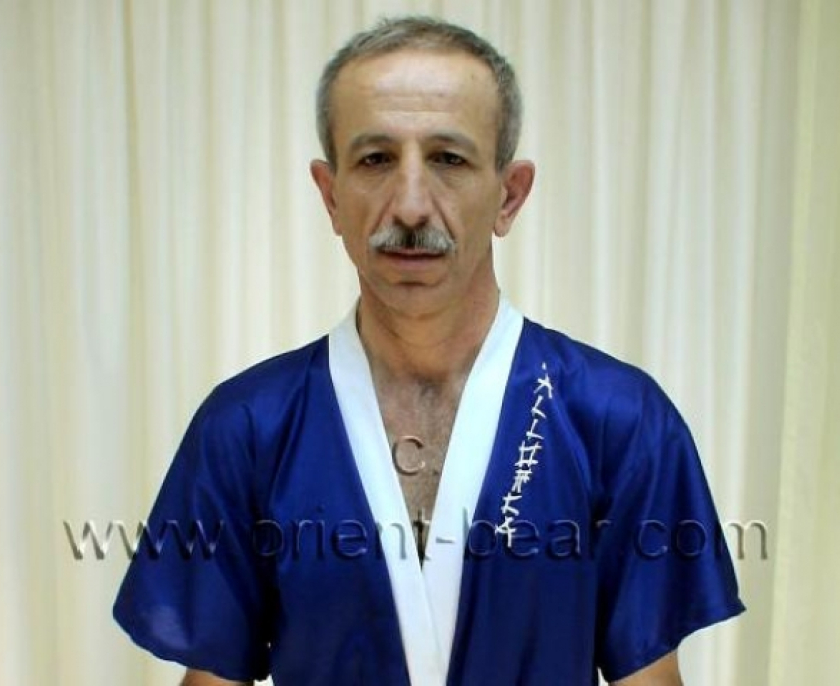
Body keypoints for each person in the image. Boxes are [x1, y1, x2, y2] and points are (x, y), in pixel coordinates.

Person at [113, 16, 744, 686]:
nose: (411, 206)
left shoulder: (620, 420)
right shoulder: (247, 428)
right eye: (375, 160)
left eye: (448, 159)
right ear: (330, 196)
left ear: (509, 195)